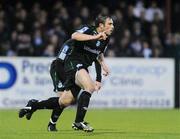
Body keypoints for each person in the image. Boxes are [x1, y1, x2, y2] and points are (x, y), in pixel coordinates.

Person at [19, 15, 114, 132]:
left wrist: (101, 73)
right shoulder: (88, 30)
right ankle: (77, 122)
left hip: (81, 67)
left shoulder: (106, 39)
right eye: (110, 24)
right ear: (101, 25)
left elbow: (98, 55)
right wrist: (95, 36)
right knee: (89, 86)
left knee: (64, 101)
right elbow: (74, 35)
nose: (112, 26)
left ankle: (34, 105)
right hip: (71, 64)